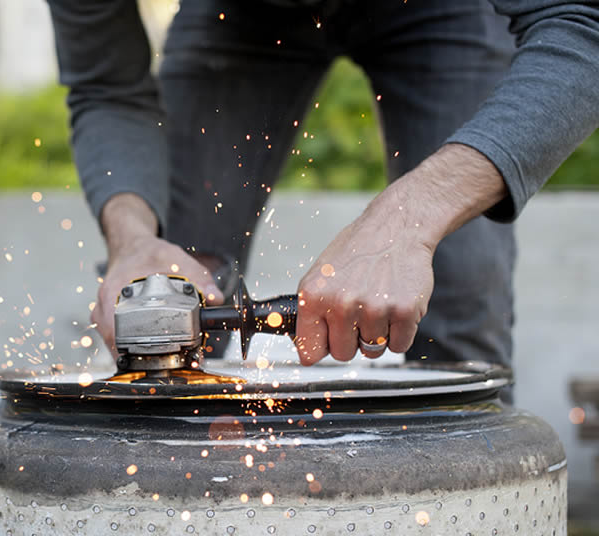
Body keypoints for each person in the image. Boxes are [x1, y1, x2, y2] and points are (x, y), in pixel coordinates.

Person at [45, 0, 599, 367]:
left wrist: (411, 219)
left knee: (460, 301)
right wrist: (134, 239)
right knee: (171, 306)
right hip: (237, 16)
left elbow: (584, 23)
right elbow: (106, 87)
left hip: (443, 10)